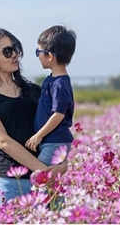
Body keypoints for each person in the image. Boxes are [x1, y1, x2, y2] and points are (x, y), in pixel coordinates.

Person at [0, 28, 67, 209]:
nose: (15, 55)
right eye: (7, 51)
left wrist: (62, 164)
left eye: (16, 49)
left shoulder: (34, 90)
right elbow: (3, 141)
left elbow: (57, 128)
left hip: (48, 181)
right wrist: (42, 171)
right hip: (13, 183)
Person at [25, 25, 76, 167]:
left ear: (49, 56)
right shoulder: (53, 80)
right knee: (47, 181)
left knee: (41, 177)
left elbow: (58, 115)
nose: (37, 56)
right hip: (51, 140)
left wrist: (38, 135)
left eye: (38, 52)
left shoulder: (59, 84)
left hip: (55, 141)